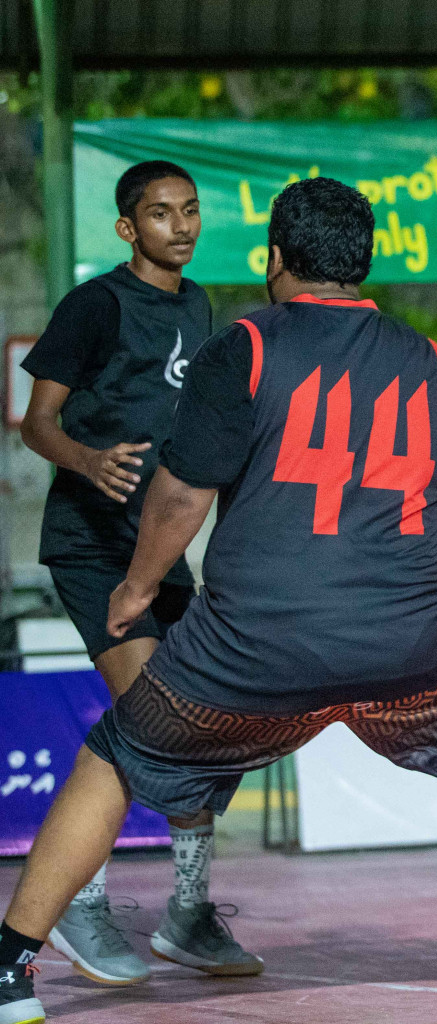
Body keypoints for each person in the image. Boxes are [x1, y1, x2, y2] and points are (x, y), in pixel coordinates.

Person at [0, 177, 437, 1024]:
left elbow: (180, 496)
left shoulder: (242, 345)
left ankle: (12, 967)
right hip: (403, 649)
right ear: (363, 264)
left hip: (255, 651)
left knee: (116, 755)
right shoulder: (429, 359)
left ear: (275, 257)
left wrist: (135, 589)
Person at [17, 160, 257, 985]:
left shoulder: (199, 305)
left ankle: (188, 914)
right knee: (155, 720)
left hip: (160, 550)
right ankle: (77, 906)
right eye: (160, 214)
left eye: (190, 210)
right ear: (128, 228)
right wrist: (86, 459)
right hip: (91, 545)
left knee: (198, 727)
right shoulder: (94, 306)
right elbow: (34, 422)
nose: (180, 226)